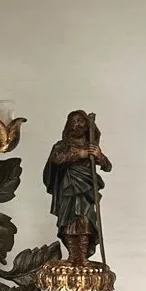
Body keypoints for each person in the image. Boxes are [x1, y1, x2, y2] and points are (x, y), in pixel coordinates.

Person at [42, 110, 112, 264]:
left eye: (81, 121)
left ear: (87, 125)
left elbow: (108, 167)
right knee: (68, 222)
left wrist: (99, 156)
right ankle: (73, 256)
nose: (77, 125)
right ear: (68, 125)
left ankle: (83, 256)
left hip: (86, 190)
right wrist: (78, 154)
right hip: (68, 188)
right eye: (74, 121)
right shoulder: (61, 146)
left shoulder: (91, 146)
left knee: (86, 221)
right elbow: (57, 159)